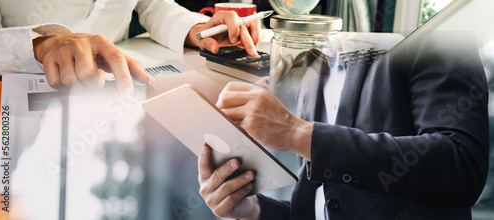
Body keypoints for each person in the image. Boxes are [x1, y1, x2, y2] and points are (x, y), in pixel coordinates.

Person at [197, 31, 489, 219]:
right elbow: (333, 204)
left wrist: (296, 133)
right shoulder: (314, 63)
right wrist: (254, 210)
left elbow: (460, 164)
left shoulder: (434, 35)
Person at [0, 0, 261, 97]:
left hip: (116, 93)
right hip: (14, 94)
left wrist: (201, 30)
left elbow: (153, 5)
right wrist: (41, 44)